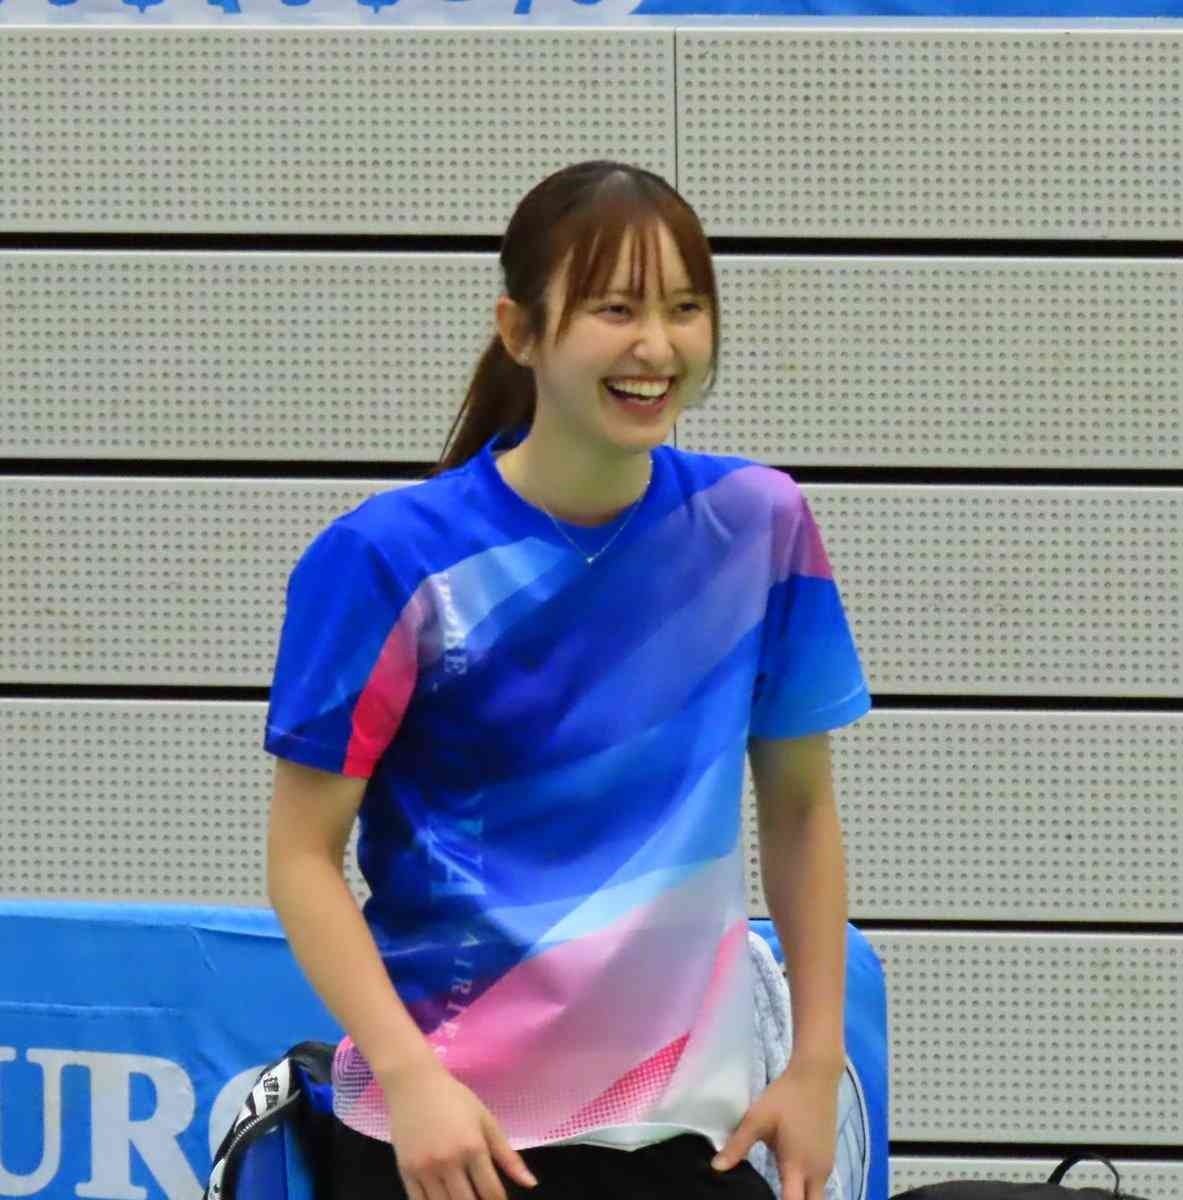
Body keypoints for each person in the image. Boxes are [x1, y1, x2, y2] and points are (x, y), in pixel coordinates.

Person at [264, 160, 872, 1200]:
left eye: (685, 308)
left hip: (696, 1134)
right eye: (616, 309)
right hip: (454, 1139)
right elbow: (302, 858)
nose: (657, 347)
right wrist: (410, 1079)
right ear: (520, 330)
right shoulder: (386, 559)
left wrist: (815, 1065)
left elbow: (803, 811)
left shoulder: (758, 526)